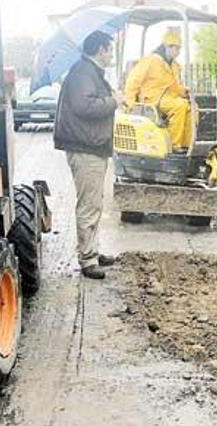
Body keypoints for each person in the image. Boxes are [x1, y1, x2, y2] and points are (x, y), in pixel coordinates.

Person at [53, 31, 124, 280]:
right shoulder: (83, 72)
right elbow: (85, 106)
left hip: (90, 146)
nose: (111, 54)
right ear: (100, 49)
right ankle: (88, 259)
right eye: (110, 49)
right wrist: (113, 101)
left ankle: (92, 250)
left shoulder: (88, 72)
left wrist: (109, 96)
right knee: (89, 205)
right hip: (85, 148)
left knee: (94, 202)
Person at [123, 29, 192, 150]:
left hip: (167, 97)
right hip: (151, 98)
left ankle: (186, 144)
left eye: (179, 49)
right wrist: (130, 103)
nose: (178, 52)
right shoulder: (150, 61)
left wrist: (184, 92)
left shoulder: (173, 65)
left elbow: (173, 86)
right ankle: (173, 145)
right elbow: (133, 80)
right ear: (167, 46)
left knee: (191, 108)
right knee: (180, 106)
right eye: (177, 48)